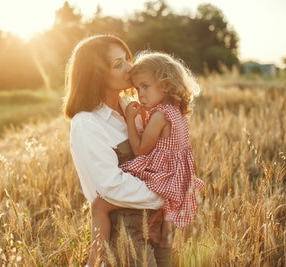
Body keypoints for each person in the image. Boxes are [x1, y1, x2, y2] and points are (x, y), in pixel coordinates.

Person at [63, 35, 173, 267]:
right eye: (118, 64)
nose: (129, 68)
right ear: (96, 74)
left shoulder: (134, 108)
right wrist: (165, 195)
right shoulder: (87, 123)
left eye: (127, 59)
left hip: (157, 226)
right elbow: (111, 185)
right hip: (123, 234)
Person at [88, 51, 205, 265]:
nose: (140, 95)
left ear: (167, 84)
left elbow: (141, 150)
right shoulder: (175, 112)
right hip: (173, 176)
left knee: (100, 206)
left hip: (159, 175)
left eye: (145, 86)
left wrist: (131, 120)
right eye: (137, 88)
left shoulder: (160, 115)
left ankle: (94, 261)